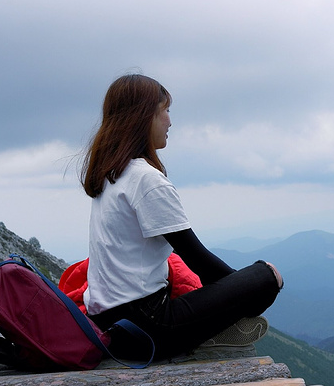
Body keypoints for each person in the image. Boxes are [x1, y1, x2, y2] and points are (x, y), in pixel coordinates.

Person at [80, 74, 283, 361]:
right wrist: (248, 294)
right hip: (148, 330)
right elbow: (199, 261)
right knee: (268, 275)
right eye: (165, 110)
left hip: (109, 324)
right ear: (143, 117)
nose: (169, 121)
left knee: (195, 273)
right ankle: (211, 335)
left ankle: (208, 326)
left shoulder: (111, 176)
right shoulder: (145, 180)